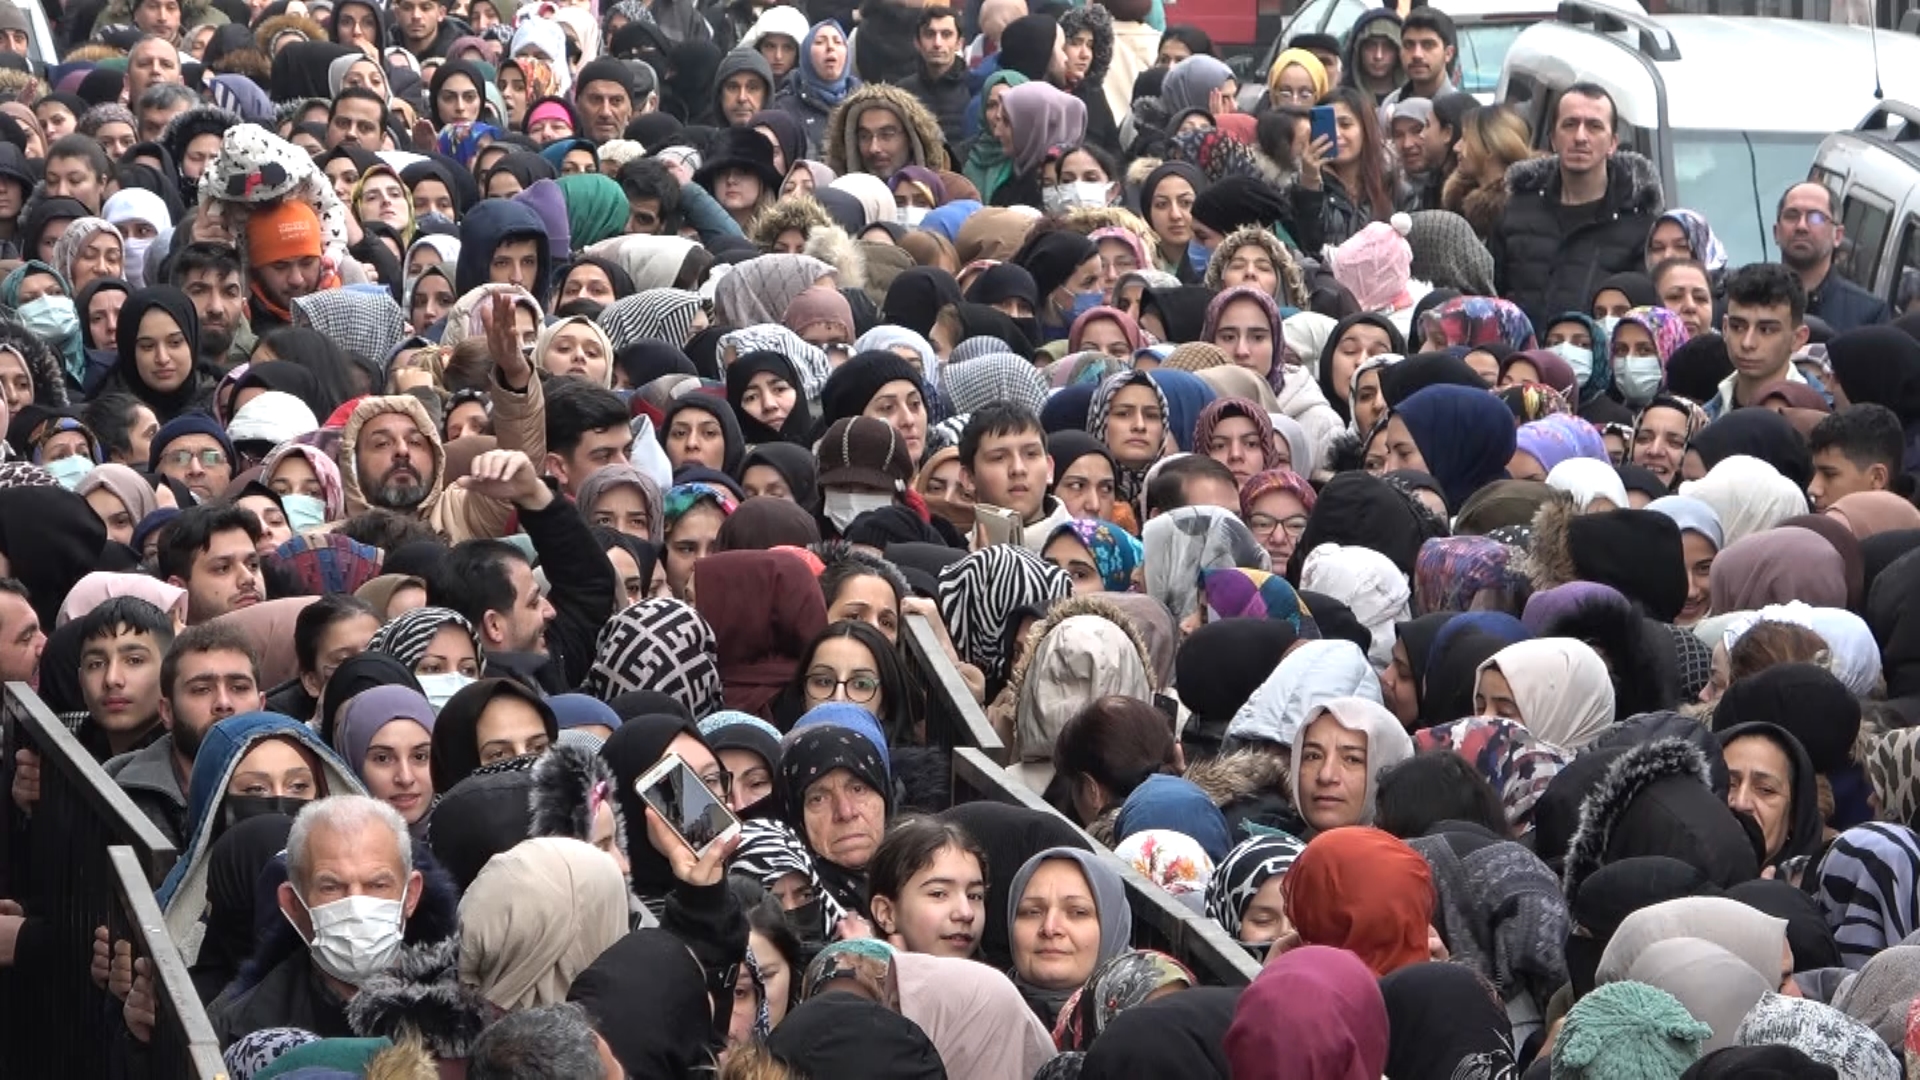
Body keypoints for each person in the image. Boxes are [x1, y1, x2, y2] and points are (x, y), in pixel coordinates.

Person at [1490, 84, 1661, 334]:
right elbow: (1491, 295)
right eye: (1570, 124)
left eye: (1594, 126)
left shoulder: (1639, 225)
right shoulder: (1516, 211)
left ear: (1613, 142)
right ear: (1553, 138)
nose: (1580, 137)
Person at [107, 621, 264, 848]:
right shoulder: (117, 793)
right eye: (201, 689)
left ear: (261, 706)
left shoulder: (303, 783)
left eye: (239, 687)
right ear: (167, 712)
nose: (223, 703)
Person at [1775, 181, 1888, 332]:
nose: (1801, 226)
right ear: (1776, 232)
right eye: (1792, 216)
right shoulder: (1745, 296)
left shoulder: (1869, 315)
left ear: (1838, 236)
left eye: (1816, 218)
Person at [1709, 262, 1812, 416]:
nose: (1747, 343)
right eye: (1737, 327)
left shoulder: (1822, 413)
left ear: (1798, 338)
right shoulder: (1703, 417)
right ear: (1724, 328)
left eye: (1766, 330)